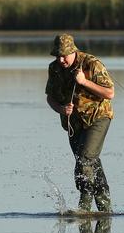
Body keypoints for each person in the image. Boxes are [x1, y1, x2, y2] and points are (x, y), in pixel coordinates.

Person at [45, 33, 115, 212]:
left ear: (73, 51)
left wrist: (84, 82)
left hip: (97, 118)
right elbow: (50, 98)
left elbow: (110, 93)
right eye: (58, 56)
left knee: (84, 161)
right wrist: (61, 109)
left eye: (64, 55)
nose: (61, 59)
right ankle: (105, 210)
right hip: (73, 124)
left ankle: (83, 208)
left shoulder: (91, 63)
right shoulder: (54, 69)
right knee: (91, 163)